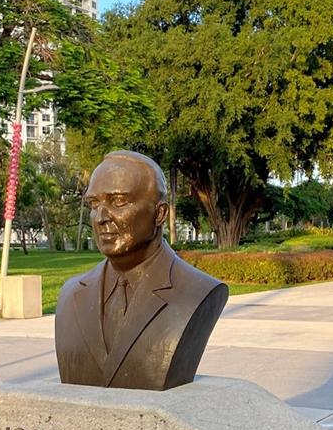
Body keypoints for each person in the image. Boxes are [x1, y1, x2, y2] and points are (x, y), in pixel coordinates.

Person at [55, 151, 228, 390]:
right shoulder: (71, 294)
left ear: (160, 213)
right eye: (94, 204)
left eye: (118, 201)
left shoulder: (197, 291)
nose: (101, 217)